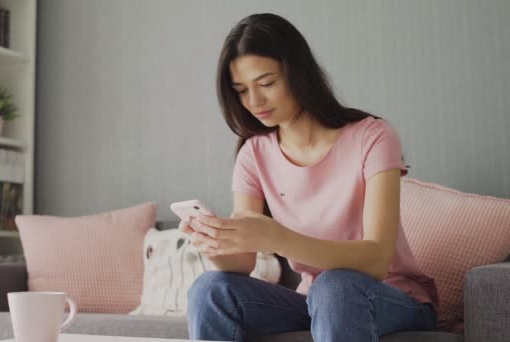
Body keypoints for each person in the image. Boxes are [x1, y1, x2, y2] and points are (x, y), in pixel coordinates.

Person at [179, 13, 438, 342]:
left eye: (267, 83)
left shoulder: (373, 137)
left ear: (297, 73)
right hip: (318, 301)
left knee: (335, 287)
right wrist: (213, 243)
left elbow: (377, 261)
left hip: (392, 299)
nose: (254, 101)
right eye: (242, 90)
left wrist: (278, 238)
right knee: (209, 290)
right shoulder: (253, 154)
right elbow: (243, 263)